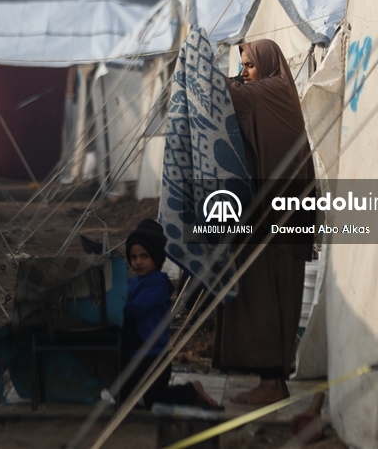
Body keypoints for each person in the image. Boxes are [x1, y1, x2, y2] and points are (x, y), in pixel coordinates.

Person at [214, 39, 315, 406]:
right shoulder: (277, 91)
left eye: (250, 65)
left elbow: (221, 90)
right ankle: (274, 382)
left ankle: (272, 384)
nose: (244, 72)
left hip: (278, 222)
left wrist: (202, 69)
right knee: (272, 298)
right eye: (242, 65)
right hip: (277, 219)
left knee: (267, 301)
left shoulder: (270, 90)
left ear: (269, 65)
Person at [119, 219, 218, 409]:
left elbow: (137, 309)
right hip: (135, 353)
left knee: (156, 398)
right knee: (123, 396)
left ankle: (192, 390)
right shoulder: (134, 282)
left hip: (153, 356)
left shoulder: (157, 283)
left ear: (156, 257)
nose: (138, 262)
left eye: (144, 256)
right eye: (133, 257)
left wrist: (119, 307)